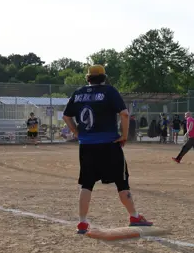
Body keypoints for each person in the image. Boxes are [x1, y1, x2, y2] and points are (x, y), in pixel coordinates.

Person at [62, 64, 152, 235]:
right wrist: (124, 135)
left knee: (86, 183)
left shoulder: (78, 92)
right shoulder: (109, 91)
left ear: (88, 78)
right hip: (109, 144)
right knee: (121, 181)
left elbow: (66, 116)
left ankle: (82, 223)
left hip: (86, 146)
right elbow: (124, 114)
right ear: (103, 77)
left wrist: (76, 132)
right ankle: (134, 216)